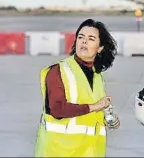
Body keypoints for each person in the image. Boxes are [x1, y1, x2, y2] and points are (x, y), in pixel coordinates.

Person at [34, 18, 121, 157]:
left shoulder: (97, 77)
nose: (84, 41)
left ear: (100, 48)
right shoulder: (58, 71)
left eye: (91, 38)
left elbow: (91, 112)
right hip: (59, 152)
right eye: (80, 37)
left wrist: (106, 120)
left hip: (89, 152)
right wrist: (94, 107)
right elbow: (57, 109)